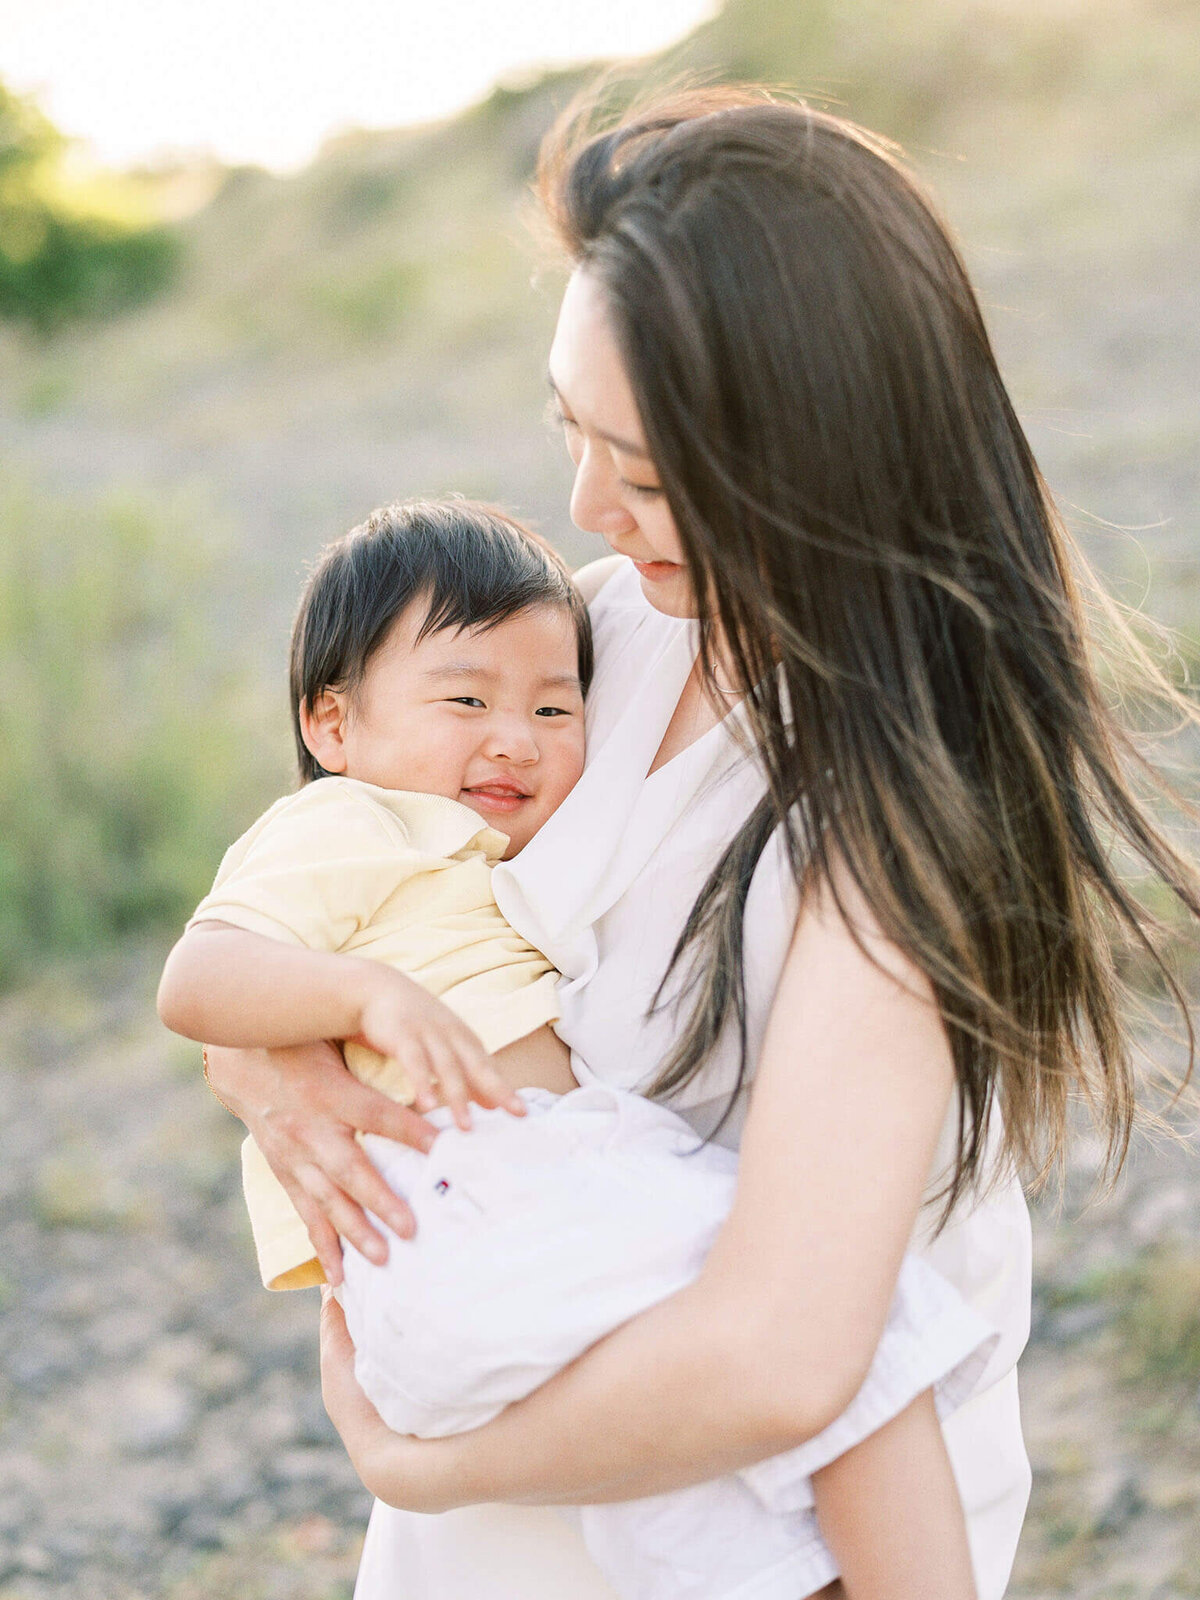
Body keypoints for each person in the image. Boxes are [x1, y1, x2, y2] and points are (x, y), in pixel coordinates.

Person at [204, 88, 1200, 1600]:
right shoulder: (593, 639)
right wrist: (267, 1056)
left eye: (659, 480)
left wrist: (418, 1461)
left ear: (825, 459)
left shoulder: (897, 805)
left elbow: (784, 1357)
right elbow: (340, 891)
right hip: (507, 1511)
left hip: (761, 1532)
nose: (590, 506)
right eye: (573, 432)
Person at [160, 496, 996, 1599]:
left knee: (743, 1521)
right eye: (465, 700)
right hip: (472, 1208)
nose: (516, 735)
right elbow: (196, 978)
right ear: (332, 726)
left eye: (556, 709)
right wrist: (354, 1000)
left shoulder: (499, 814)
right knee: (866, 1350)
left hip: (526, 1208)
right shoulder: (348, 825)